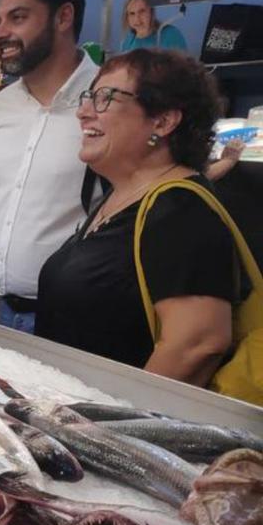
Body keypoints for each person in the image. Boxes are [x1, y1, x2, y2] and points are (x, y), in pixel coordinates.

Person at [36, 50, 234, 386]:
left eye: (105, 98)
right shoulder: (122, 197)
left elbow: (197, 345)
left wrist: (109, 422)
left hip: (106, 428)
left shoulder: (180, 209)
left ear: (163, 121)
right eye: (89, 97)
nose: (83, 113)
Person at [0, 0, 99, 333]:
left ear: (63, 17)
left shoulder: (107, 102)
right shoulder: (2, 105)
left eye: (18, 17)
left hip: (74, 322)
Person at [120, 0, 187, 53]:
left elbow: (186, 63)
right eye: (132, 13)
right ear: (127, 17)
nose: (137, 19)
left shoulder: (170, 35)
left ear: (151, 12)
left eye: (142, 11)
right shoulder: (127, 42)